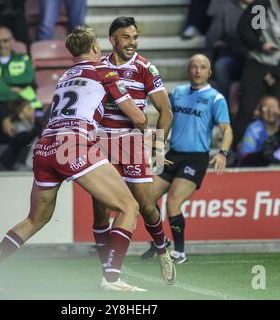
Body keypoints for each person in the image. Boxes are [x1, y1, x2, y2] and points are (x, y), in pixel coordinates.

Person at [0, 26, 150, 292]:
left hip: (45, 146)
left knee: (36, 219)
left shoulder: (64, 76)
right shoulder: (104, 71)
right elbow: (139, 118)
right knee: (129, 206)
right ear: (94, 49)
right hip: (73, 143)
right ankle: (112, 279)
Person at [90, 17, 176, 285]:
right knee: (101, 211)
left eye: (135, 37)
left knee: (147, 207)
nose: (132, 42)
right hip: (102, 144)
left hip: (131, 144)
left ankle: (162, 249)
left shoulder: (144, 67)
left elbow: (166, 111)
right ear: (113, 39)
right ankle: (110, 272)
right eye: (126, 37)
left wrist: (159, 148)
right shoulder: (98, 67)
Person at [145, 54, 233, 263]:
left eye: (202, 67)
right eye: (194, 66)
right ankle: (161, 239)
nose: (197, 70)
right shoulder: (178, 93)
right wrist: (158, 146)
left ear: (209, 72)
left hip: (196, 158)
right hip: (173, 154)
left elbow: (227, 129)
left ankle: (180, 251)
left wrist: (222, 152)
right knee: (145, 198)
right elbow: (164, 118)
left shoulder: (216, 98)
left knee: (173, 202)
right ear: (189, 70)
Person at [233, 0, 280, 151]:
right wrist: (260, 45)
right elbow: (245, 30)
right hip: (257, 62)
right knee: (246, 109)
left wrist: (276, 73)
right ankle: (231, 152)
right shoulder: (262, 7)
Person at [0, 27, 42, 143]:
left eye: (5, 40)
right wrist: (11, 88)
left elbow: (28, 79)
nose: (2, 45)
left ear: (12, 41)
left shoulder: (23, 59)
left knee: (38, 122)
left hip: (22, 104)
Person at [206, 0, 253, 99]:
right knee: (221, 66)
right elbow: (212, 37)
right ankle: (226, 104)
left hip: (257, 57)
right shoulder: (226, 8)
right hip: (233, 54)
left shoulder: (264, 8)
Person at [0, 99, 42, 170]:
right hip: (19, 161)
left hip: (27, 160)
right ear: (21, 114)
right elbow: (24, 138)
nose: (33, 110)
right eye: (29, 109)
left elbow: (41, 112)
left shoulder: (31, 124)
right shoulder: (16, 126)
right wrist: (38, 127)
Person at [237, 95, 280, 166]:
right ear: (260, 111)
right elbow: (246, 155)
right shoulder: (253, 128)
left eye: (273, 107)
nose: (270, 111)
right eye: (265, 107)